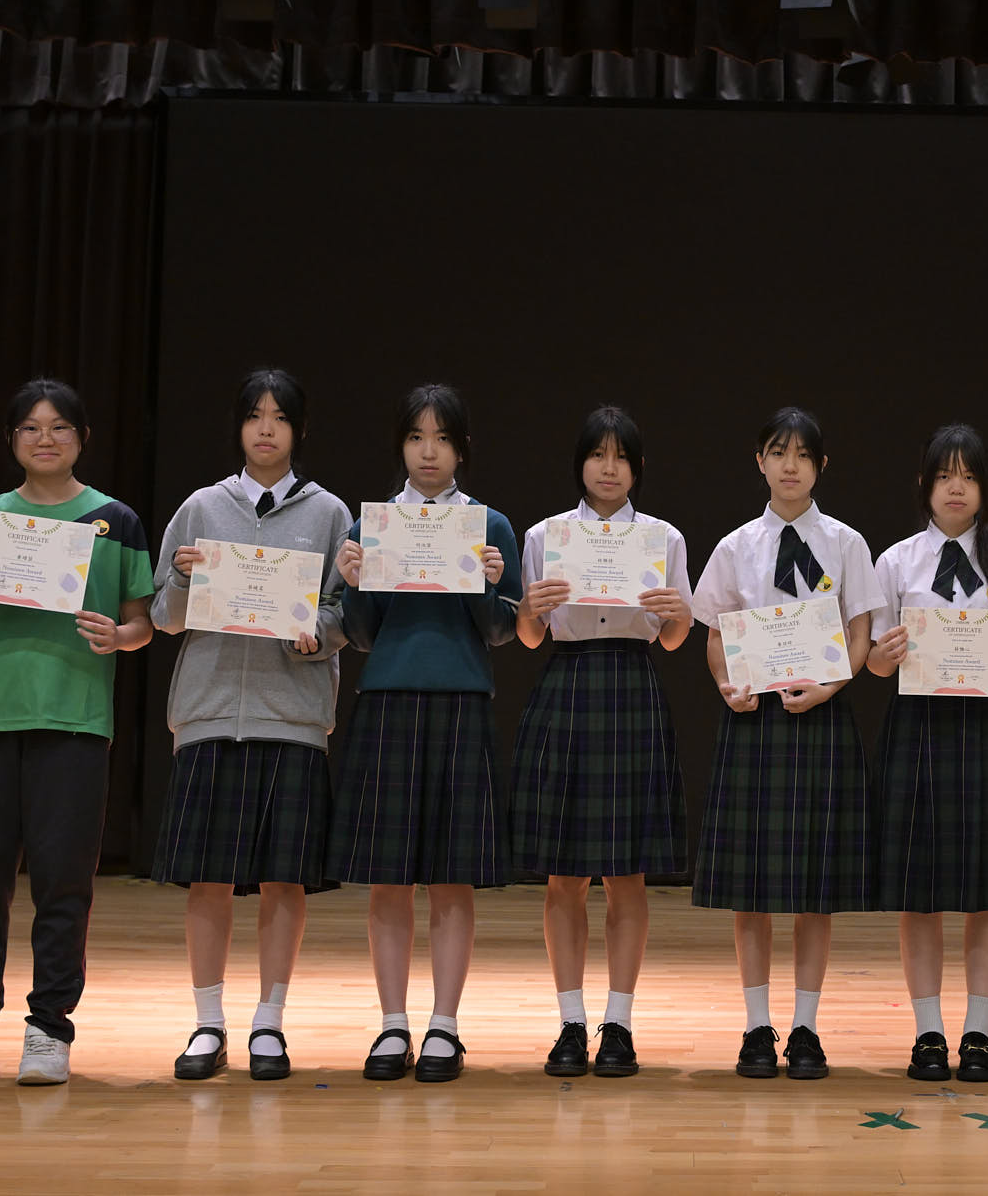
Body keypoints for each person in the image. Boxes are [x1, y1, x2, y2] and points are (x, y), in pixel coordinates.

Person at [0, 380, 156, 1086]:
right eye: (30, 427)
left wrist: (119, 635)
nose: (45, 438)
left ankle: (49, 1028)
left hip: (74, 718)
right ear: (12, 441)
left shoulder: (115, 519)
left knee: (64, 883)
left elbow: (142, 621)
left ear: (82, 438)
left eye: (60, 426)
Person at [149, 369, 351, 1081]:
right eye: (254, 416)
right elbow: (164, 616)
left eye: (280, 417)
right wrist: (181, 577)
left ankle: (270, 1021)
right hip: (208, 714)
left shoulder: (330, 513)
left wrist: (316, 634)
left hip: (291, 716)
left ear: (299, 429)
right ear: (238, 426)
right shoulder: (202, 506)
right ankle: (208, 1023)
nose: (266, 428)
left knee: (282, 880)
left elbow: (344, 614)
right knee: (207, 880)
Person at [325, 383, 521, 1083]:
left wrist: (491, 582)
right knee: (388, 878)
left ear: (461, 448)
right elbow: (362, 635)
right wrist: (353, 582)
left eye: (441, 438)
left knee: (450, 876)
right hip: (387, 700)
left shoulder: (489, 524)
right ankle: (391, 1023)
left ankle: (445, 1025)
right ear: (401, 446)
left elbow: (500, 632)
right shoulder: (373, 523)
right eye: (415, 437)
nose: (428, 451)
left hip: (462, 699)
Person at [690, 407, 883, 1081]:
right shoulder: (735, 546)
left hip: (821, 718)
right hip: (755, 721)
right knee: (751, 887)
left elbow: (860, 633)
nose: (790, 464)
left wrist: (831, 687)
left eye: (803, 454)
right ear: (760, 461)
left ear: (821, 465)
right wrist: (726, 686)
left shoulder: (847, 543)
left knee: (814, 887)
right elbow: (716, 634)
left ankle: (805, 1026)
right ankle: (755, 1026)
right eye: (779, 452)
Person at [864, 423, 988, 1084]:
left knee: (987, 892)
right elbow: (874, 664)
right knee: (918, 892)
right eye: (945, 475)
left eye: (968, 477)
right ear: (924, 484)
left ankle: (978, 1032)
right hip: (919, 728)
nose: (956, 488)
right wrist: (883, 657)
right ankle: (927, 1033)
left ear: (984, 488)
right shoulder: (895, 562)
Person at [512, 406, 693, 1080]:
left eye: (620, 456)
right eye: (597, 455)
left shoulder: (663, 537)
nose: (608, 468)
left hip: (632, 682)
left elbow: (672, 640)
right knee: (563, 875)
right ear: (581, 464)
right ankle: (570, 1022)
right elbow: (529, 636)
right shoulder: (545, 535)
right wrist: (531, 609)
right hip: (568, 681)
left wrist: (677, 615)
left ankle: (618, 1022)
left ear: (636, 468)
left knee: (627, 873)